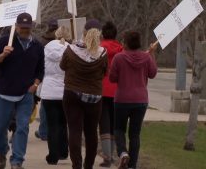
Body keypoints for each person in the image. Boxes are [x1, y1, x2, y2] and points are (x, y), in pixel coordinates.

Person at [0, 13, 44, 169]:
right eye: (22, 27)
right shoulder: (4, 41)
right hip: (5, 92)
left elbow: (41, 70)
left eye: (27, 28)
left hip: (26, 93)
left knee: (22, 127)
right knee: (0, 128)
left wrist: (36, 83)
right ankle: (1, 152)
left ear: (31, 27)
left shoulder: (37, 46)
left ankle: (17, 161)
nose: (24, 30)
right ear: (16, 26)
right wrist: (2, 55)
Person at [60, 19, 108, 169]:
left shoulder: (71, 50)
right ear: (99, 35)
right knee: (91, 132)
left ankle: (77, 165)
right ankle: (89, 165)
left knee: (74, 130)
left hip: (72, 93)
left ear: (84, 32)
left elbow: (62, 66)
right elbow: (104, 72)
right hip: (94, 96)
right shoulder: (102, 53)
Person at [109, 31, 157, 169]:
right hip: (141, 100)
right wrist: (152, 53)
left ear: (126, 43)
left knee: (118, 129)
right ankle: (132, 165)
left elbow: (112, 78)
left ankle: (123, 153)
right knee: (135, 134)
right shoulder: (146, 57)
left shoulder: (119, 58)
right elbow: (153, 73)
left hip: (122, 99)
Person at [39, 26, 71, 165]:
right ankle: (63, 151)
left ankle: (53, 155)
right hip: (65, 89)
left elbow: (42, 67)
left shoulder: (47, 48)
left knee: (52, 125)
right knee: (63, 123)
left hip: (49, 90)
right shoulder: (71, 49)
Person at [98, 21, 123, 167]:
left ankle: (107, 157)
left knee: (104, 123)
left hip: (101, 89)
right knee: (114, 123)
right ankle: (112, 154)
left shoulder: (99, 49)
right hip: (117, 90)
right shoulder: (121, 49)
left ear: (103, 33)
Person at [35, 19, 58, 141]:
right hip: (62, 79)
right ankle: (57, 132)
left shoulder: (42, 41)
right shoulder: (65, 43)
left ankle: (43, 131)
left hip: (45, 77)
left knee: (45, 105)